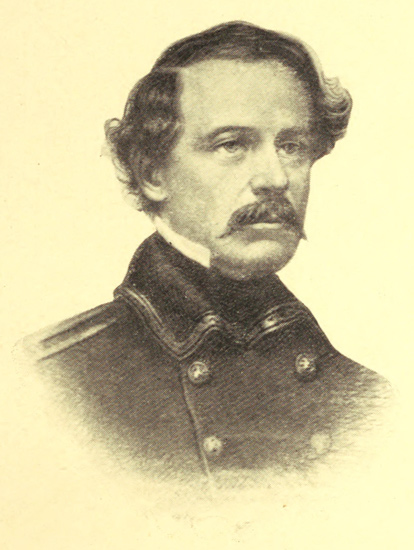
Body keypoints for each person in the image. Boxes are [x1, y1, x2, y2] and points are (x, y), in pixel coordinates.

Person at [25, 22, 393, 485]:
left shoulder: (369, 402)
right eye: (232, 144)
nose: (275, 178)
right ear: (152, 173)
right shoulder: (48, 383)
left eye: (291, 146)